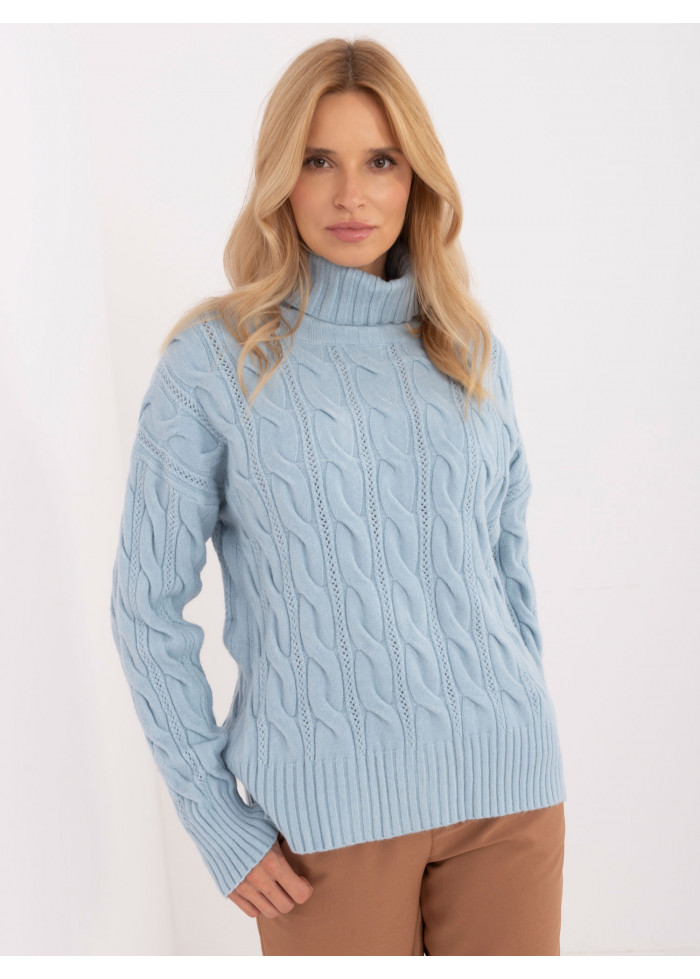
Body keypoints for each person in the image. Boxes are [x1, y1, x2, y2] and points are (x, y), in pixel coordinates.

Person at [110, 36, 567, 956]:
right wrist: (215, 817)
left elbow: (507, 570)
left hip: (510, 794)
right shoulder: (215, 361)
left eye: (380, 162)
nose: (351, 195)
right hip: (325, 822)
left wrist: (520, 717)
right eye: (319, 161)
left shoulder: (470, 350)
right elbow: (145, 606)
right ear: (280, 177)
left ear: (417, 178)